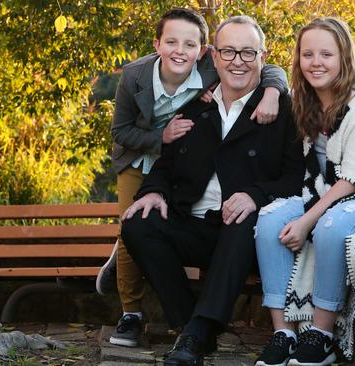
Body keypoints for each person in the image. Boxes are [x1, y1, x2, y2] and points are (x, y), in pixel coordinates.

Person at [96, 8, 289, 348]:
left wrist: (256, 195)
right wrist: (154, 192)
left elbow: (301, 177)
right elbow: (164, 164)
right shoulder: (196, 106)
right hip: (193, 225)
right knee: (139, 222)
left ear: (263, 55)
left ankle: (196, 331)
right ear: (214, 56)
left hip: (244, 236)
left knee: (246, 217)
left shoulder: (280, 109)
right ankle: (190, 327)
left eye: (248, 52)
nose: (237, 61)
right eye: (228, 51)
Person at [254, 17, 355, 366]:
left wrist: (306, 222)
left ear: (344, 57)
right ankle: (283, 333)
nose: (316, 62)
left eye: (326, 54)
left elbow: (354, 179)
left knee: (331, 225)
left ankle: (322, 334)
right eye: (307, 54)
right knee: (269, 220)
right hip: (325, 194)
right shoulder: (305, 101)